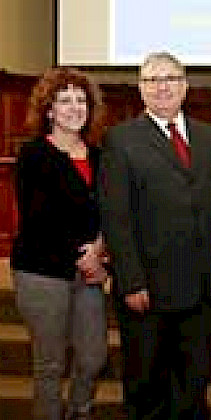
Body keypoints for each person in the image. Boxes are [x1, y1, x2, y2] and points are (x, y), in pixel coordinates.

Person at [99, 52, 211, 419]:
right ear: (141, 89)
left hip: (199, 288)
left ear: (185, 86)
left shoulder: (209, 137)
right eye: (153, 80)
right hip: (147, 290)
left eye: (171, 78)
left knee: (192, 388)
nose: (163, 86)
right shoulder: (120, 140)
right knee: (147, 390)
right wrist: (131, 281)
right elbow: (116, 217)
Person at [11, 67, 108, 420]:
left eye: (81, 100)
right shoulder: (33, 154)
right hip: (42, 271)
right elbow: (39, 217)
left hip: (90, 272)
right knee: (50, 363)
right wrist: (84, 256)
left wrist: (99, 250)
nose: (74, 107)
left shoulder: (99, 155)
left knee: (93, 357)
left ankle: (79, 412)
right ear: (49, 110)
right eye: (64, 100)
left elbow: (111, 211)